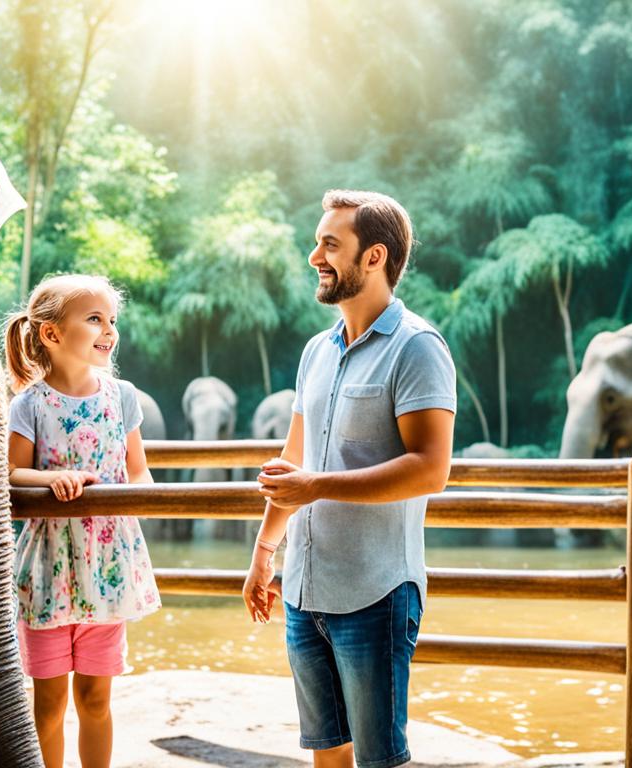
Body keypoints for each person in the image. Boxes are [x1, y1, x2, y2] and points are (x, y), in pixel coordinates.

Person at [242, 190, 456, 768]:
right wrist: (265, 552)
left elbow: (431, 469)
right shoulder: (316, 351)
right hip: (304, 589)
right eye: (318, 242)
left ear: (374, 257)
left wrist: (318, 486)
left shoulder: (417, 347)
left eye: (330, 244)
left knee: (379, 761)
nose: (314, 255)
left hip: (377, 593)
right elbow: (293, 463)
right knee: (327, 754)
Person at [3, 274, 160, 768]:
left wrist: (144, 498)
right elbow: (10, 473)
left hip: (108, 567)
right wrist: (52, 480)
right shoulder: (29, 403)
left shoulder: (123, 397)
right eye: (94, 319)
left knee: (96, 699)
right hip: (48, 569)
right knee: (48, 706)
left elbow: (138, 472)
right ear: (50, 333)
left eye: (111, 320)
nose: (108, 330)